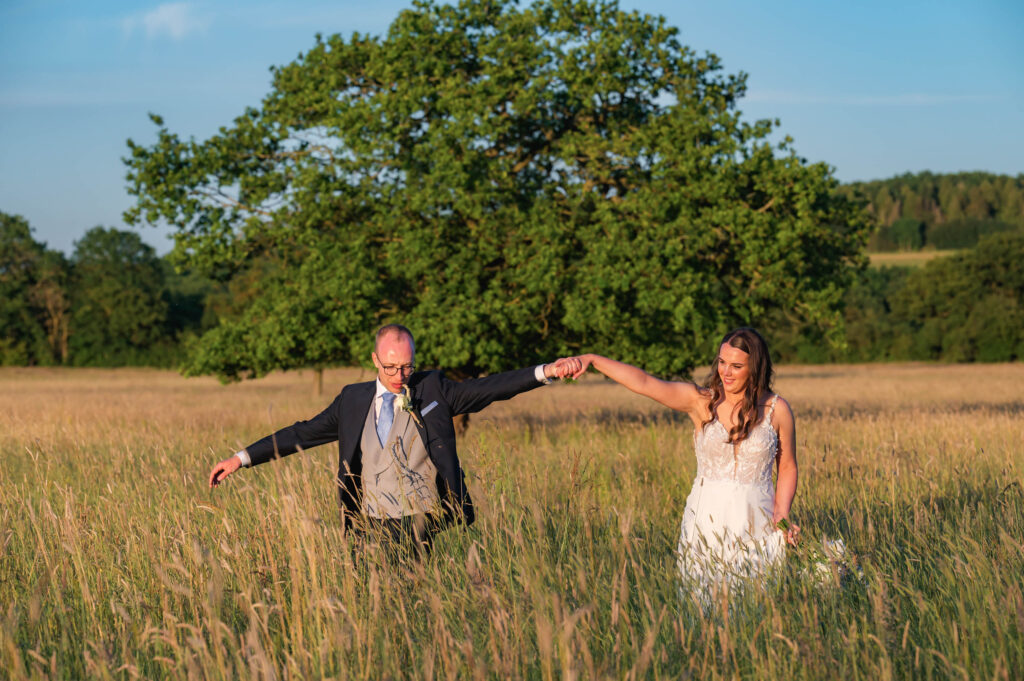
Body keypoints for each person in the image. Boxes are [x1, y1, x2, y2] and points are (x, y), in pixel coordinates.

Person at [209, 323, 576, 556]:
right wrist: (241, 458)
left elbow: (491, 388)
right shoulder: (352, 400)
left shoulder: (433, 389)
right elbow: (301, 433)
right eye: (391, 367)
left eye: (407, 366)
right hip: (366, 522)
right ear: (374, 360)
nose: (400, 375)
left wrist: (547, 371)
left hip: (418, 518)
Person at [565, 327, 798, 593]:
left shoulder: (777, 409)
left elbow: (788, 465)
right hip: (706, 520)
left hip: (758, 518)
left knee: (755, 605)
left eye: (736, 366)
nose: (726, 372)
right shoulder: (700, 401)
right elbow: (643, 382)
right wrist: (593, 359)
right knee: (702, 605)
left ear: (755, 367)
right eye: (722, 363)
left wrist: (782, 513)